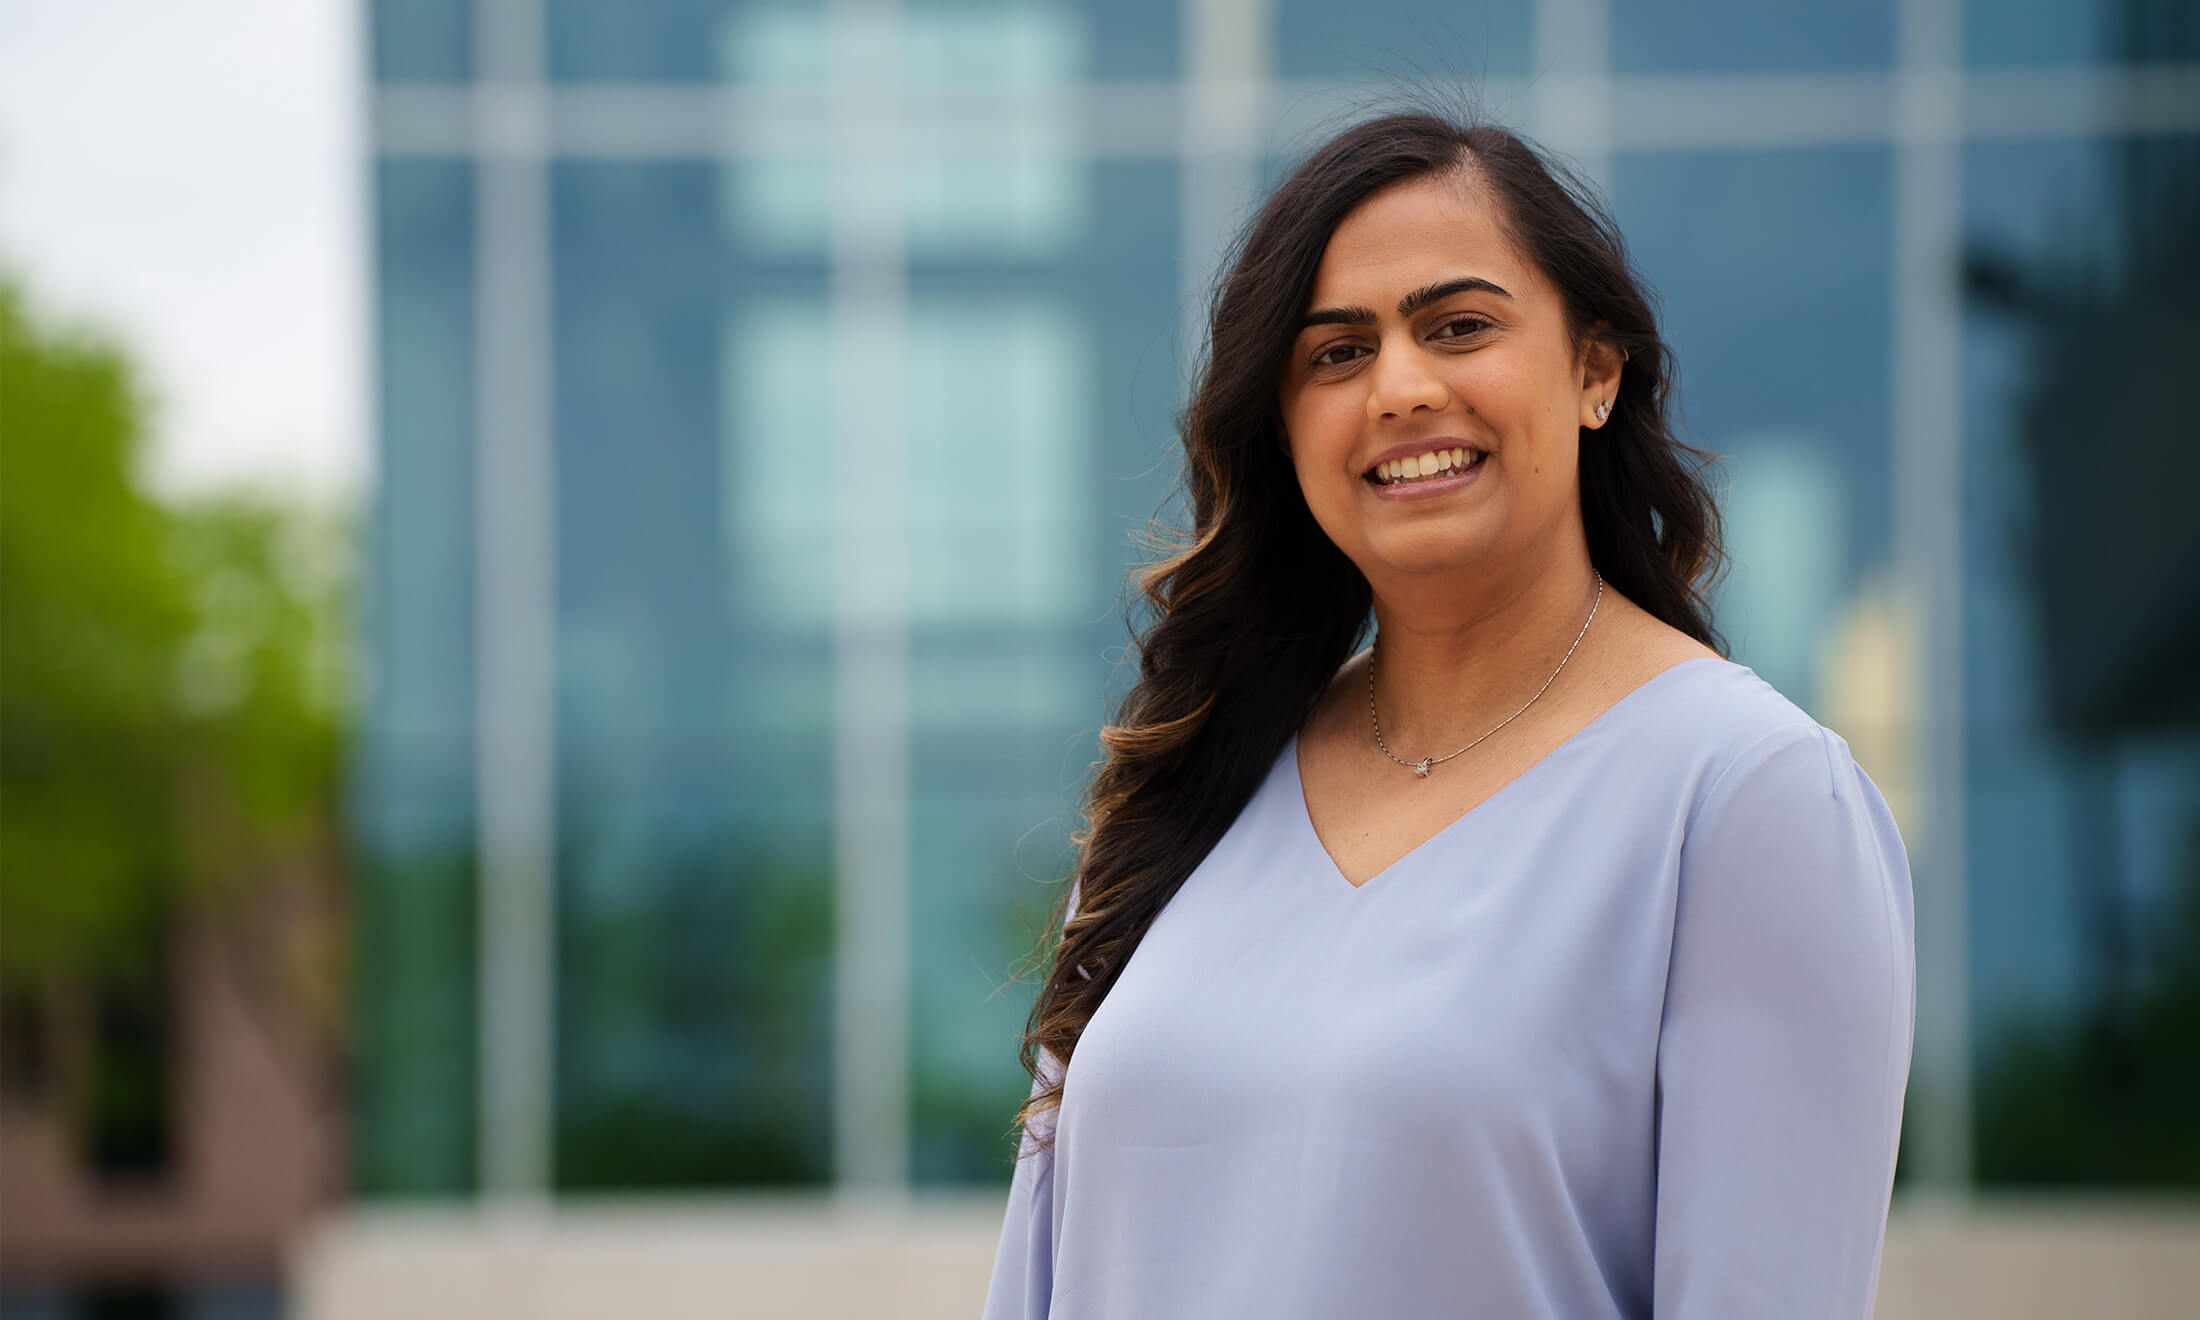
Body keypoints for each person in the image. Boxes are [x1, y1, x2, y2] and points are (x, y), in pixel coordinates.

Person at [981, 109, 1915, 1319]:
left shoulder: (1745, 796)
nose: (1400, 389)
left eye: (1458, 327)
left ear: (1594, 368)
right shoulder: (1188, 785)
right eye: (1333, 354)